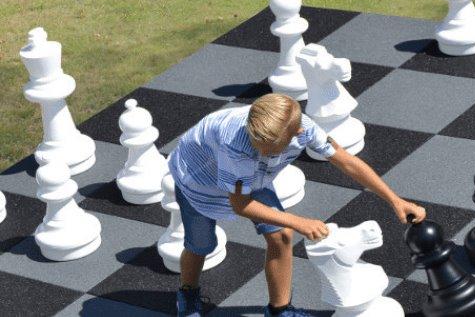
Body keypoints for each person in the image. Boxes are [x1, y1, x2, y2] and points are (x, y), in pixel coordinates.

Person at [169, 93, 426, 317]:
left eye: (269, 149)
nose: (262, 151)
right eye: (259, 146)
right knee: (201, 244)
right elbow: (241, 204)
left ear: (297, 133)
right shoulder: (238, 144)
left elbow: (346, 161)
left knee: (281, 236)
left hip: (251, 178)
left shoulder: (306, 128)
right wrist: (300, 222)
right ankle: (188, 294)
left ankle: (280, 310)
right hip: (197, 180)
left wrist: (396, 200)